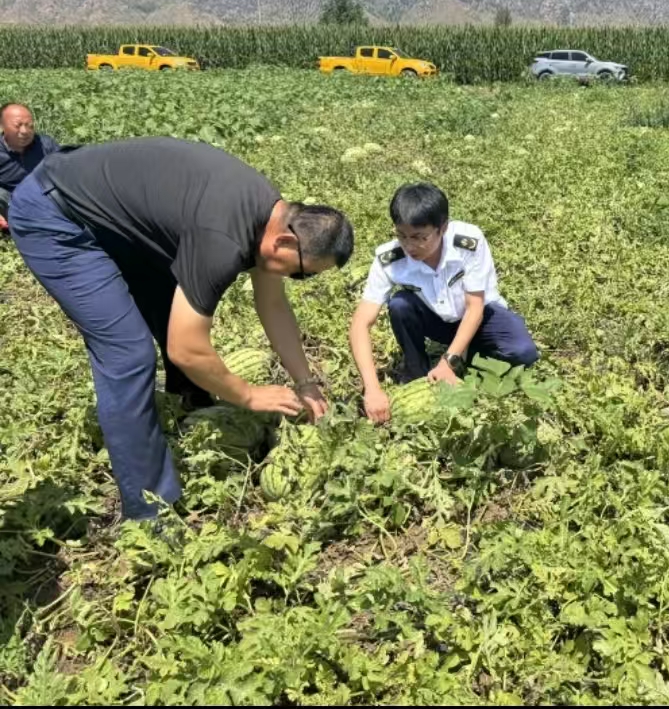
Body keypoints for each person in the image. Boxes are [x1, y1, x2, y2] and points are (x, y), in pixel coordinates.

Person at [7, 136, 354, 520]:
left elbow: (272, 305)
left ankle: (190, 401)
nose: (296, 279)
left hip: (108, 211)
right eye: (301, 273)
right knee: (128, 354)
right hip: (55, 215)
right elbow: (185, 348)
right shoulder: (222, 239)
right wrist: (248, 394)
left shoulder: (272, 217)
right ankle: (150, 512)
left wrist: (304, 381)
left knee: (170, 295)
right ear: (286, 240)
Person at [349, 182, 539, 423]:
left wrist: (449, 361)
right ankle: (416, 371)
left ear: (443, 228)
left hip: (481, 316)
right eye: (402, 235)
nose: (409, 246)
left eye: (420, 237)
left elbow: (475, 308)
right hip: (437, 320)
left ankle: (464, 355)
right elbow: (360, 324)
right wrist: (372, 388)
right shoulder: (390, 259)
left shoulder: (468, 242)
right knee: (400, 305)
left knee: (524, 352)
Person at [0, 103, 60, 231]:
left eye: (29, 125)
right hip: (12, 203)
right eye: (18, 125)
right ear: (2, 126)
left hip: (46, 199)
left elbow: (64, 171)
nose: (25, 131)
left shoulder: (45, 144)